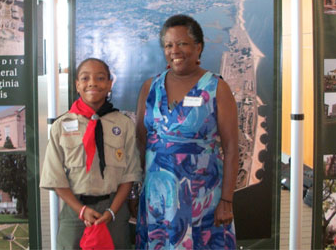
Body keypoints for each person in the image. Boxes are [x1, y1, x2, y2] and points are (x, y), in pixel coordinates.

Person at [135, 14, 239, 249]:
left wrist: (226, 199)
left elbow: (232, 148)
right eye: (169, 45)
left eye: (182, 43)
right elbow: (141, 142)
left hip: (203, 196)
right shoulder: (149, 87)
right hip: (157, 198)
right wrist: (137, 190)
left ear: (198, 47)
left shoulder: (216, 88)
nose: (175, 50)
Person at [40, 58, 142, 249]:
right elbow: (55, 177)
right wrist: (81, 210)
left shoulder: (123, 124)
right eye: (85, 78)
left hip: (114, 211)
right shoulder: (60, 126)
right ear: (77, 85)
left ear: (110, 84)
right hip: (75, 211)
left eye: (100, 78)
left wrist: (112, 211)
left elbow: (130, 174)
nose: (93, 83)